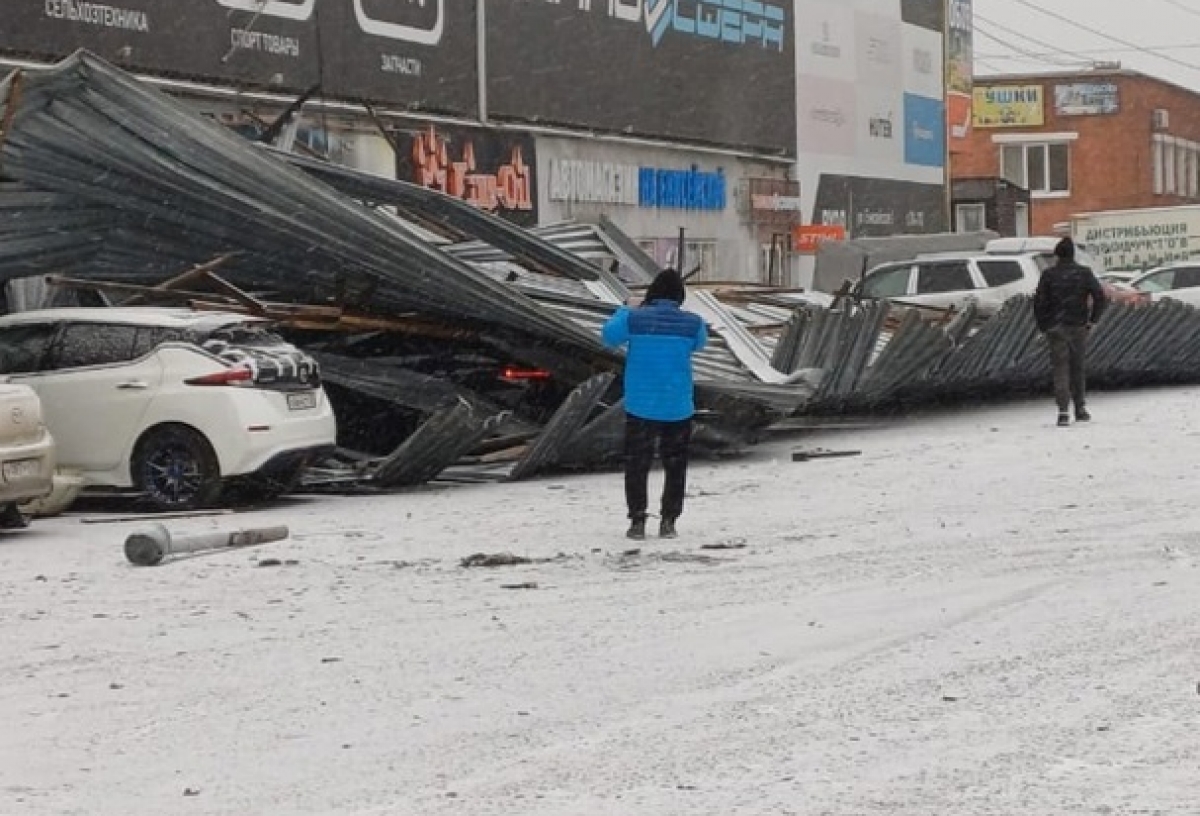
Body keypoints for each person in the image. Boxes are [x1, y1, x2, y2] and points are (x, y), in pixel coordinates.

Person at [601, 268, 707, 540]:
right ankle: (669, 521)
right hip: (677, 405)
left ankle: (637, 521)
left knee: (637, 464)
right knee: (675, 465)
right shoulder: (693, 323)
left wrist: (626, 308)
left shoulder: (635, 319)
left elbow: (609, 337)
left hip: (641, 405)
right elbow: (699, 345)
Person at [1033, 236, 1108, 427]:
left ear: (1057, 255)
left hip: (1056, 327)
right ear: (1073, 254)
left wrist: (1044, 325)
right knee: (1078, 368)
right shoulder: (1083, 273)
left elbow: (1039, 302)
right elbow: (1100, 296)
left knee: (1060, 369)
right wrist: (1093, 320)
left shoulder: (1049, 275)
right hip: (1078, 326)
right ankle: (1080, 408)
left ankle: (1063, 411)